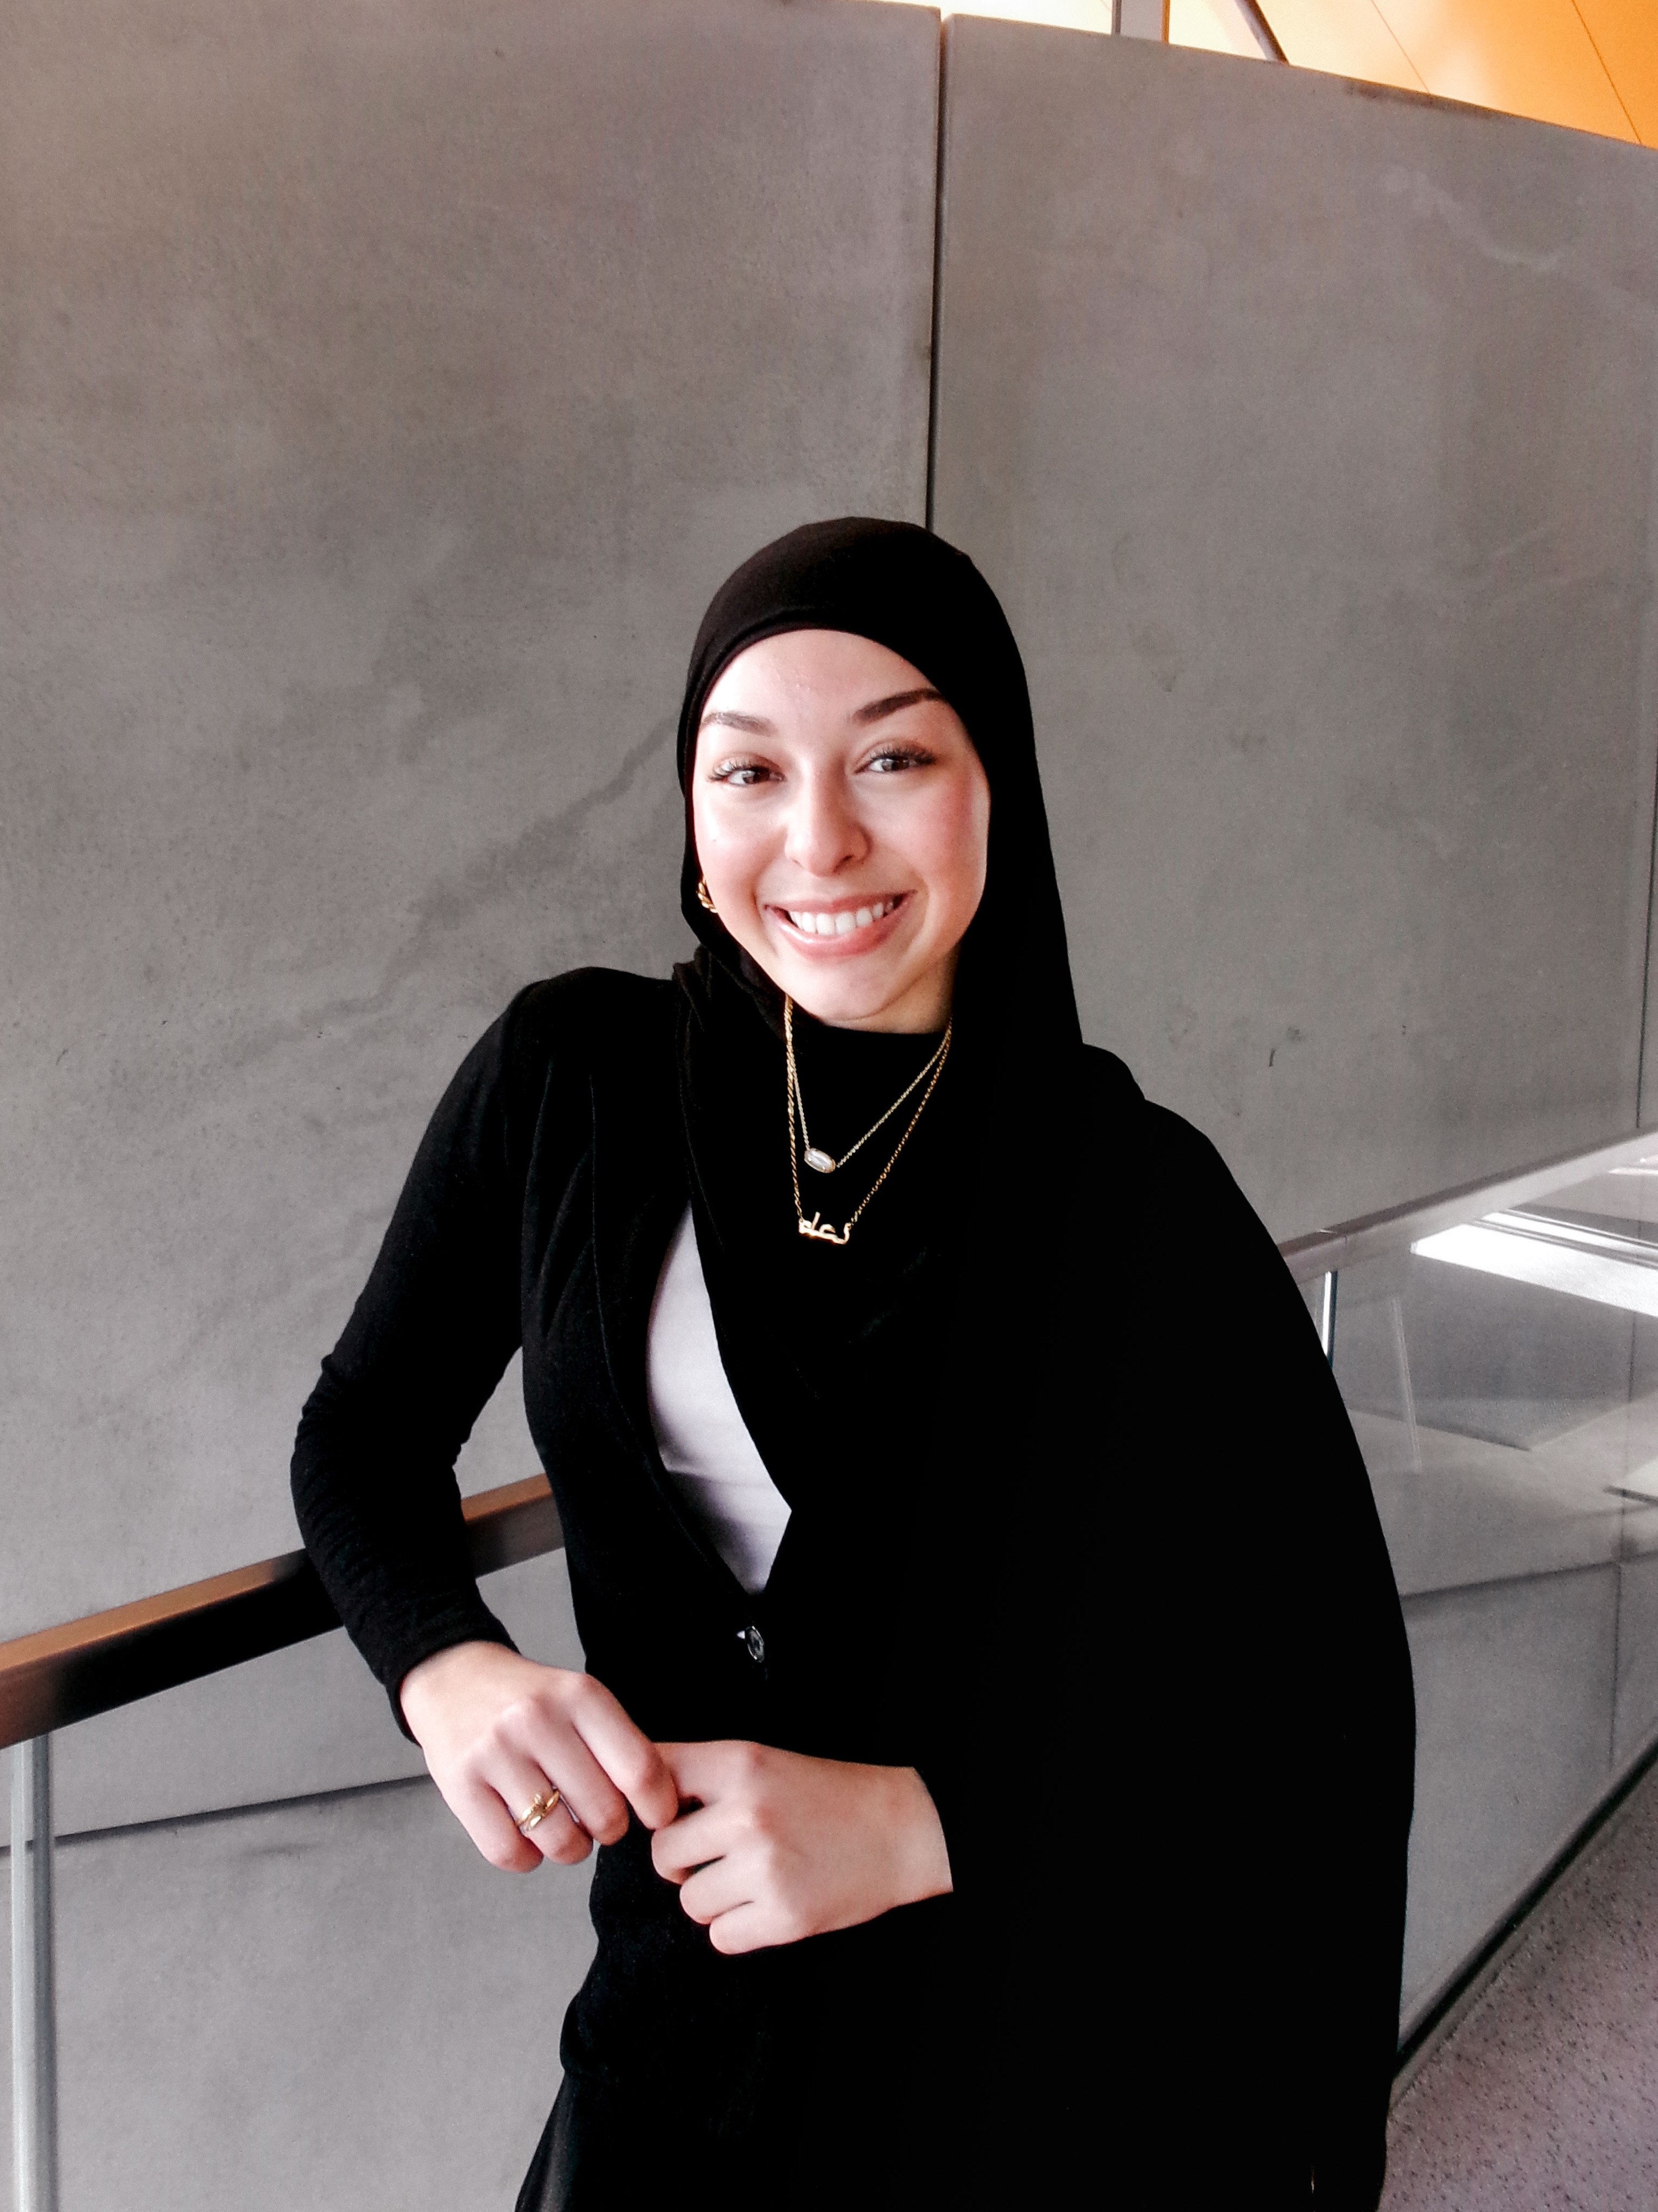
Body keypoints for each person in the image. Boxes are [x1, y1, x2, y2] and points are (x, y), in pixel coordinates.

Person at [292, 517, 1415, 2209]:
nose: (817, 839)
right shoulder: (569, 1083)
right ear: (690, 817)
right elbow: (364, 1432)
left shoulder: (1134, 1201)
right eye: (747, 773)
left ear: (996, 792)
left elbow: (1309, 1707)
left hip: (1027, 2081)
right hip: (667, 2063)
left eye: (895, 755)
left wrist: (927, 1825)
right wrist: (442, 1665)